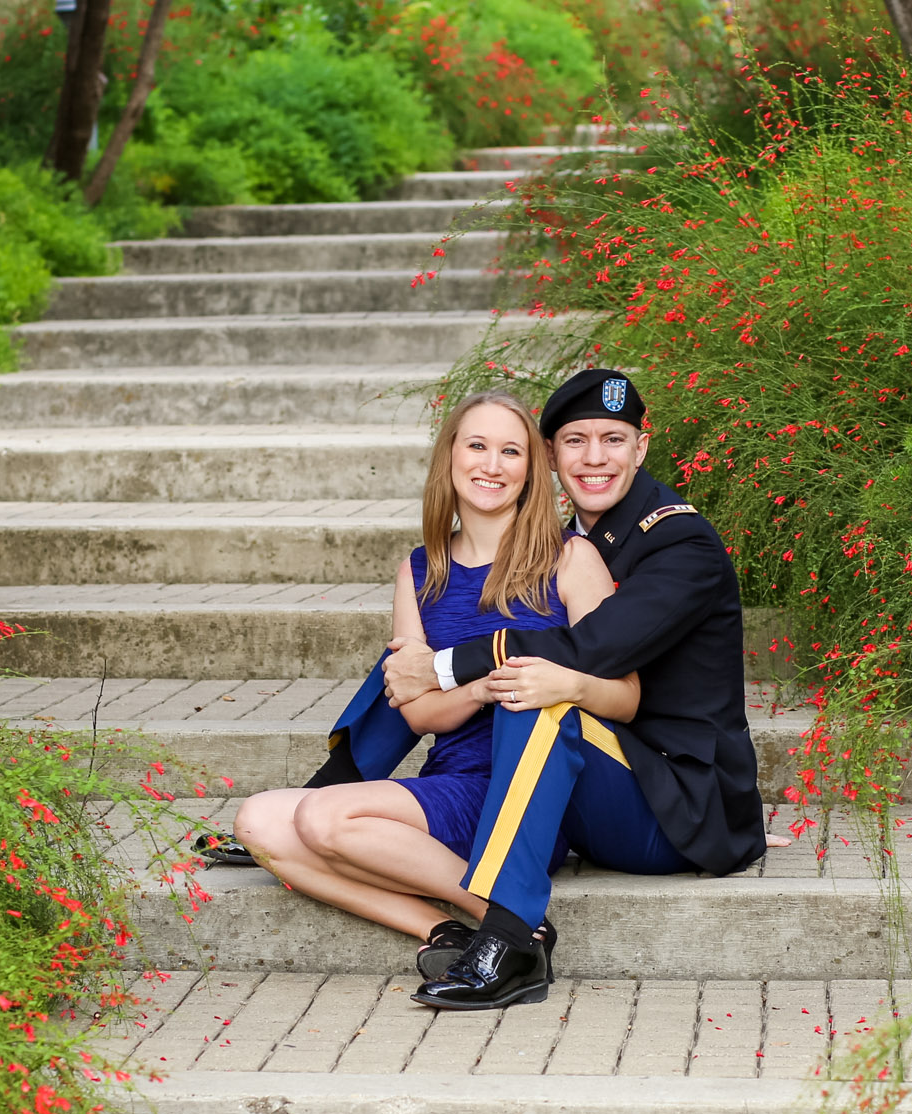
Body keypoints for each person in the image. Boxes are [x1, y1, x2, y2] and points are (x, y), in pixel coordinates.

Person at [376, 368, 768, 1010]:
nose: (594, 458)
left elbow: (597, 648)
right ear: (551, 457)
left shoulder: (679, 542)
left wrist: (450, 667)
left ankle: (511, 942)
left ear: (641, 448)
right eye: (575, 441)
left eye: (613, 440)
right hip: (608, 782)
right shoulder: (578, 541)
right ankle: (330, 783)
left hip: (676, 803)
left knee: (538, 692)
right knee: (426, 657)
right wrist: (422, 668)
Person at [222, 391, 637, 984]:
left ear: (532, 470)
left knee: (322, 819)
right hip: (449, 787)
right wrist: (482, 688)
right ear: (449, 457)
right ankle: (446, 928)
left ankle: (512, 917)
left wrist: (549, 684)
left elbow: (625, 695)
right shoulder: (421, 571)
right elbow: (418, 715)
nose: (492, 465)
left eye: (510, 451)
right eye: (477, 446)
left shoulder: (569, 560)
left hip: (526, 798)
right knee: (257, 821)